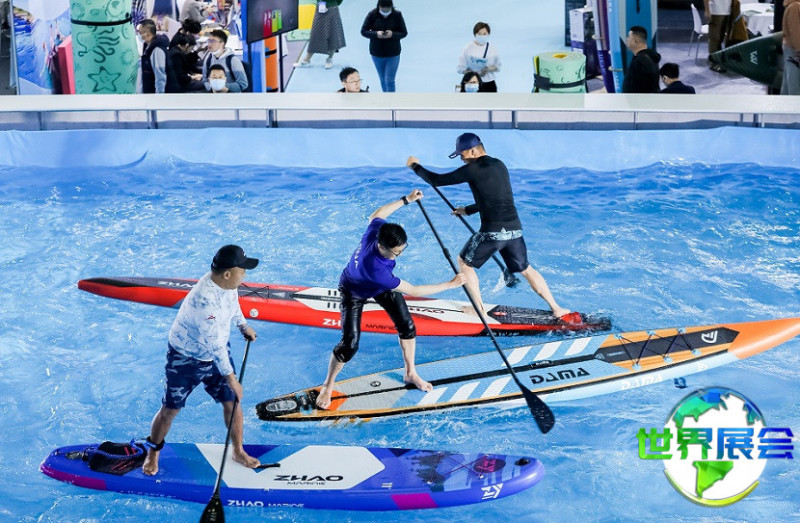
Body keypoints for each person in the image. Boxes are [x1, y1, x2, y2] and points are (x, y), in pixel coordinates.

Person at [315, 190, 466, 409]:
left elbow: (377, 214)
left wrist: (407, 200)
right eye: (396, 252)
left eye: (402, 250)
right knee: (350, 344)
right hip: (354, 290)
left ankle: (410, 373)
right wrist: (450, 284)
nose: (398, 255)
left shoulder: (377, 231)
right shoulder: (375, 269)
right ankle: (328, 385)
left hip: (377, 285)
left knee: (407, 326)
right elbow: (413, 290)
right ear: (382, 246)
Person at [407, 133, 576, 324]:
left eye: (462, 154)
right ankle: (557, 308)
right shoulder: (500, 165)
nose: (461, 158)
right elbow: (494, 198)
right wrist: (467, 210)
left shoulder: (472, 169)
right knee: (526, 269)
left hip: (492, 232)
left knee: (464, 262)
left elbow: (436, 180)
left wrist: (415, 166)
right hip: (515, 230)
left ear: (473, 151)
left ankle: (478, 309)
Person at [142, 245, 261, 476]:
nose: (245, 275)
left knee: (233, 402)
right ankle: (153, 452)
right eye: (242, 271)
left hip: (216, 352)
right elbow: (214, 346)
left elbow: (232, 303)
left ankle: (238, 451)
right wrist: (232, 380)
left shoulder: (227, 284)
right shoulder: (205, 302)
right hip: (186, 359)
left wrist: (242, 325)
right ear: (228, 273)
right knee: (170, 410)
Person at [360, 0, 408, 92]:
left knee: (389, 80)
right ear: (379, 6)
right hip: (377, 53)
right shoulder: (372, 14)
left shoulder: (397, 15)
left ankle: (391, 100)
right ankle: (385, 98)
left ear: (391, 7)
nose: (385, 11)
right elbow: (363, 31)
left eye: (388, 9)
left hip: (393, 53)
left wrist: (392, 34)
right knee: (382, 79)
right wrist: (376, 34)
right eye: (383, 9)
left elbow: (404, 32)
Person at [294, 0, 347, 69]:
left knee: (333, 34)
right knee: (315, 35)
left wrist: (333, 4)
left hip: (333, 9)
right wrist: (320, 3)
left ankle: (330, 58)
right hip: (320, 9)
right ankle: (306, 60)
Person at [457, 22, 501, 92]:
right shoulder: (467, 48)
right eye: (479, 34)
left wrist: (487, 69)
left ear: (488, 34)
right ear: (475, 34)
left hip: (489, 83)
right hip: (473, 84)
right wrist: (473, 73)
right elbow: (460, 68)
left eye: (484, 34)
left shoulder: (492, 49)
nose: (482, 36)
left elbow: (497, 66)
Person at [621, 26, 661, 93]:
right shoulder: (645, 58)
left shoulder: (642, 61)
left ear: (635, 41)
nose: (627, 39)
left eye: (629, 37)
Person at [138, 19, 170, 94]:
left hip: (154, 94)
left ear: (148, 34)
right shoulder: (147, 47)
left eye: (140, 33)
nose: (139, 35)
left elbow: (160, 76)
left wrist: (158, 97)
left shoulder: (157, 50)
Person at [704, 0, 731, 72]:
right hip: (715, 11)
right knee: (715, 39)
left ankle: (721, 60)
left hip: (728, 11)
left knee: (723, 38)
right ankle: (714, 63)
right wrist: (707, 10)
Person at [782, 0, 800, 95]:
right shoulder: (795, 6)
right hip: (793, 49)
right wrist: (798, 49)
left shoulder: (794, 6)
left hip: (791, 47)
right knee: (794, 81)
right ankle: (794, 103)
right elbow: (795, 30)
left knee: (789, 79)